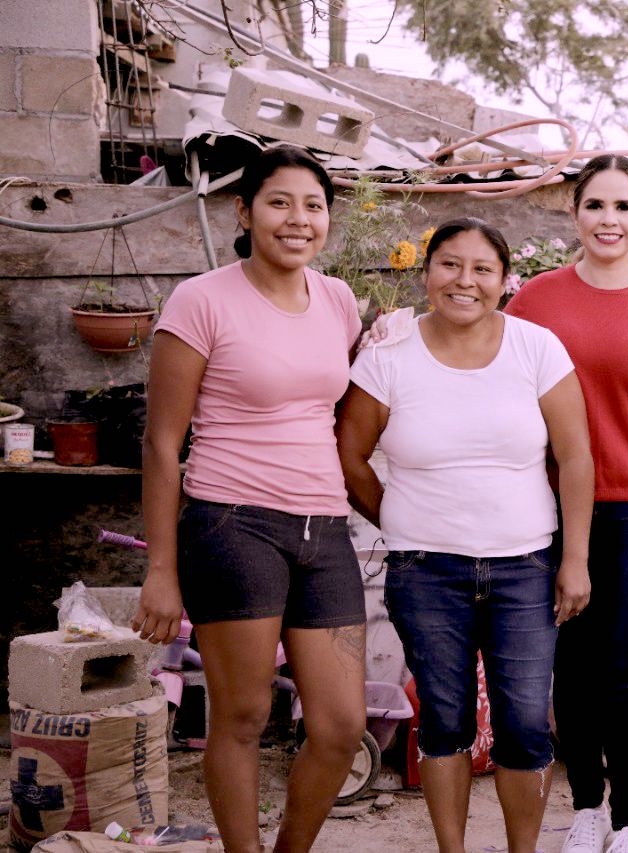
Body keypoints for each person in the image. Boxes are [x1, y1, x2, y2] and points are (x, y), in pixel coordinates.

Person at [133, 145, 367, 853]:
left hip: (324, 527)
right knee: (242, 715)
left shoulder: (338, 300)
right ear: (244, 212)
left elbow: (334, 407)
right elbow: (162, 443)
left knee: (340, 724)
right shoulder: (201, 300)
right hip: (233, 525)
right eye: (279, 202)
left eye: (313, 205)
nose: (298, 219)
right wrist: (160, 570)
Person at [337, 218, 593, 853]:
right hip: (425, 572)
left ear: (505, 280)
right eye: (450, 264)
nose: (465, 281)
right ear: (427, 273)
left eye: (483, 269)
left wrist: (576, 560)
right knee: (444, 719)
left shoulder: (537, 348)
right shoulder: (388, 355)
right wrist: (399, 519)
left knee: (525, 725)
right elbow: (349, 456)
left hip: (525, 568)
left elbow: (576, 457)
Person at [504, 154, 628, 853]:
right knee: (569, 666)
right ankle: (586, 808)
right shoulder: (537, 299)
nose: (609, 220)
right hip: (547, 508)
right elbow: (487, 366)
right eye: (595, 205)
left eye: (623, 206)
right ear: (575, 213)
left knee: (624, 667)